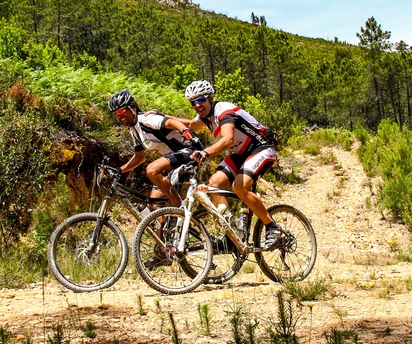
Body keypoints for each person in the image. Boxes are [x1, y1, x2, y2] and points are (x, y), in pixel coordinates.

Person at [182, 80, 282, 250]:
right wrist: (162, 117)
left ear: (211, 98)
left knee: (240, 187)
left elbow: (227, 139)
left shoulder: (224, 110)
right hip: (241, 154)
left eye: (201, 100)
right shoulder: (205, 117)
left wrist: (206, 153)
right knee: (213, 185)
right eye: (193, 102)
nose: (197, 105)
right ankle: (232, 235)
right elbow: (192, 125)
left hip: (261, 148)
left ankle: (273, 228)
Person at [107, 88, 202, 207]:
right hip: (173, 160)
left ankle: (178, 207)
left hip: (190, 150)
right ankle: (167, 222)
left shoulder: (146, 119)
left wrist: (185, 131)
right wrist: (120, 169)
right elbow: (139, 157)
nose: (119, 116)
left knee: (152, 169)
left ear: (132, 108)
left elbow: (171, 123)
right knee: (152, 205)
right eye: (116, 114)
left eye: (121, 111)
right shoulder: (134, 130)